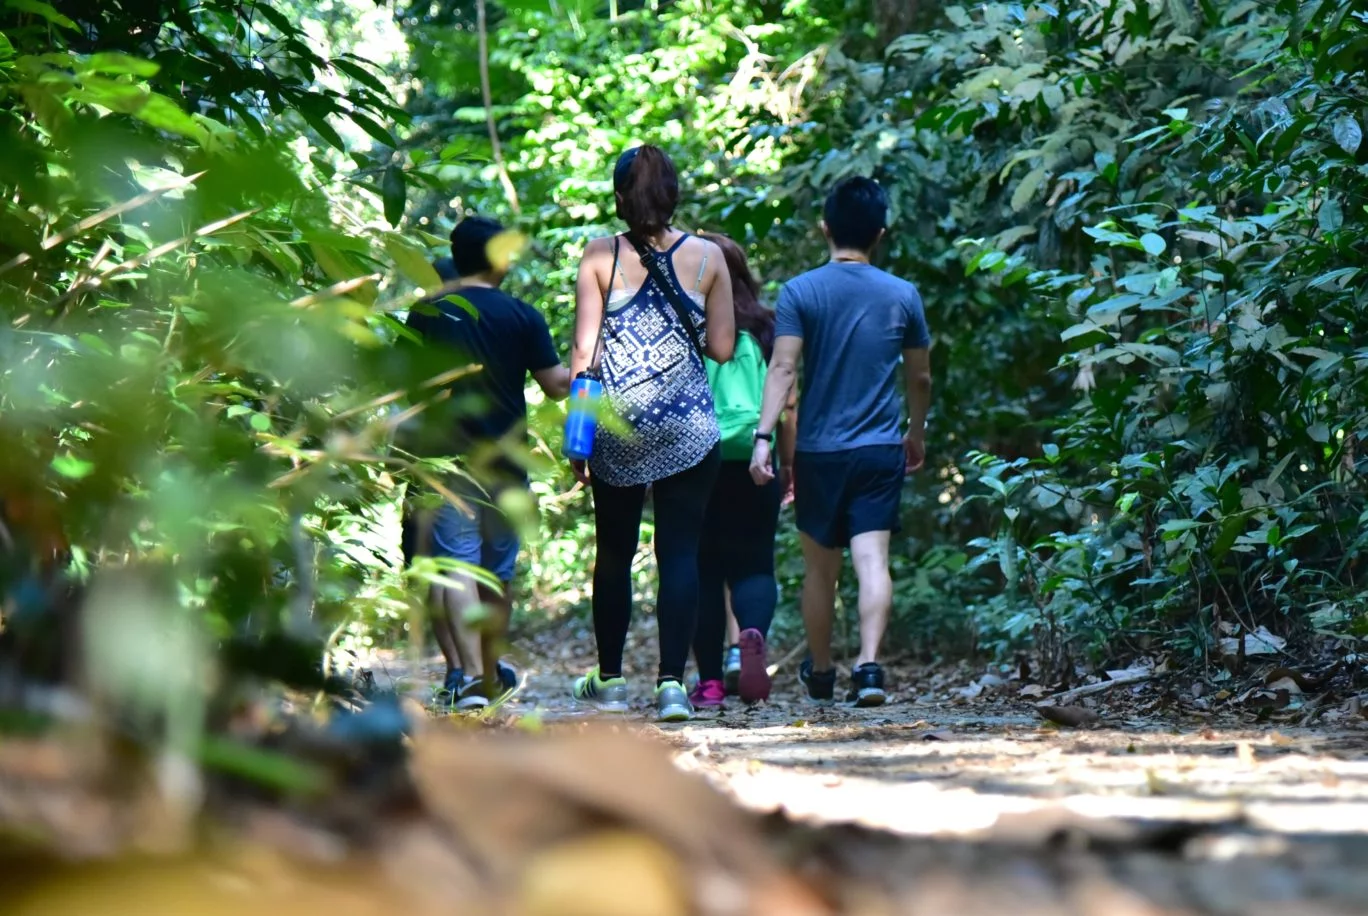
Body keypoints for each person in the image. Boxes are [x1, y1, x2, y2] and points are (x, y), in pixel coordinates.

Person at [749, 177, 932, 707]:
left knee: (819, 570)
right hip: (879, 448)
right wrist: (914, 433)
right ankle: (869, 669)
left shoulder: (801, 291)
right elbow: (920, 378)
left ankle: (823, 672)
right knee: (873, 559)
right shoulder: (903, 294)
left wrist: (764, 439)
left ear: (824, 227)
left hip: (818, 452)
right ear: (880, 232)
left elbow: (783, 368)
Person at [568, 145, 735, 722]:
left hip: (618, 427)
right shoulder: (709, 257)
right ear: (673, 194)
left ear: (619, 196)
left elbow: (584, 355)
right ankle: (671, 686)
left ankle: (610, 680)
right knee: (680, 555)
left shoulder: (598, 255)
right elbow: (722, 348)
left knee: (613, 555)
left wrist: (577, 438)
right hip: (688, 426)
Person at [402, 217, 571, 710]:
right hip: (505, 462)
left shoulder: (429, 312)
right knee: (496, 573)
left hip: (445, 457)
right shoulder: (522, 315)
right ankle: (488, 671)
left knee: (456, 563)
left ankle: (474, 676)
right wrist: (594, 361)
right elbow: (557, 384)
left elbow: (403, 385)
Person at [689, 232, 795, 708]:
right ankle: (749, 633)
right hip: (757, 454)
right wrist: (785, 460)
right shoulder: (768, 326)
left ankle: (710, 682)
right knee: (754, 563)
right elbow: (787, 403)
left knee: (703, 571)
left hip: (696, 459)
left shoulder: (689, 324)